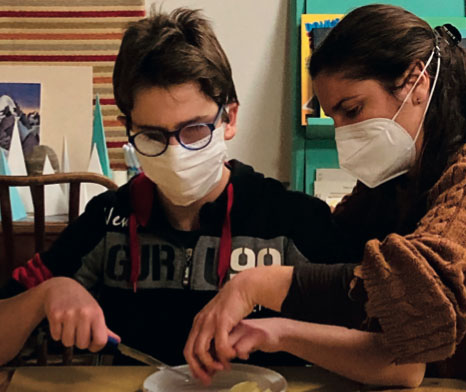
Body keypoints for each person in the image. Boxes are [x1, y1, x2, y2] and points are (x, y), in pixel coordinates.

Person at [184, 4, 466, 392]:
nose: (344, 132)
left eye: (353, 109)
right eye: (333, 117)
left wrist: (259, 284)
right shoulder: (406, 169)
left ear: (416, 82)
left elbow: (420, 291)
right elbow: (337, 244)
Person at [0, 8, 367, 368]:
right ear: (128, 129)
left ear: (229, 117)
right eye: (152, 135)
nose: (176, 153)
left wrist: (285, 332)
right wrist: (43, 296)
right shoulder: (108, 220)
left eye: (194, 130)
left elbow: (385, 352)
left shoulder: (293, 219)